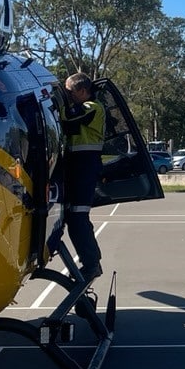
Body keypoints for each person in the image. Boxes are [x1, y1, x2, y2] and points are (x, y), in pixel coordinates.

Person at [46, 72, 106, 280]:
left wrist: (57, 99)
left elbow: (69, 119)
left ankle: (91, 263)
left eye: (70, 92)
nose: (68, 96)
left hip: (85, 166)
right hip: (74, 165)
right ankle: (87, 261)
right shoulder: (82, 107)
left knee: (78, 216)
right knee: (68, 216)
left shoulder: (93, 108)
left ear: (82, 91)